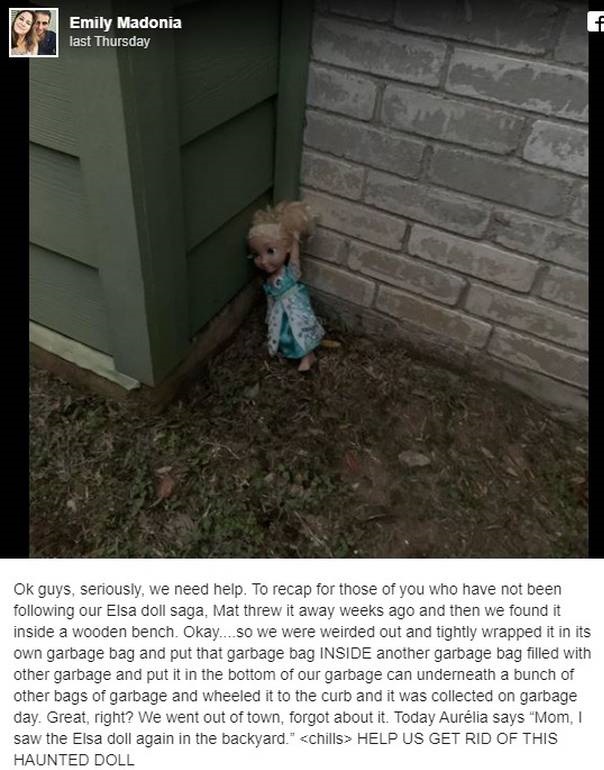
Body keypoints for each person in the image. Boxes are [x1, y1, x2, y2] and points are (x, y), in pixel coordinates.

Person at [247, 201, 324, 372]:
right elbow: (271, 297)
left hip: (295, 307)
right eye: (256, 255)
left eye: (270, 251)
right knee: (284, 332)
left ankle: (308, 355)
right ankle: (288, 351)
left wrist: (294, 240)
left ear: (287, 248)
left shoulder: (289, 274)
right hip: (279, 311)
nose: (263, 260)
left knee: (299, 330)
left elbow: (295, 262)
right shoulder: (268, 279)